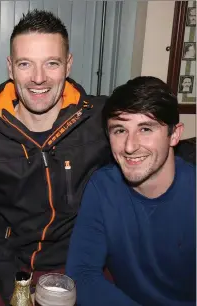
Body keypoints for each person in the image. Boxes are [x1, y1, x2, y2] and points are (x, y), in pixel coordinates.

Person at [0, 9, 114, 303]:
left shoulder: (101, 121)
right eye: (25, 64)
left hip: (83, 265)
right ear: (10, 67)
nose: (38, 78)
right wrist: (14, 285)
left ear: (68, 65)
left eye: (51, 63)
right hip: (9, 265)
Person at [66, 76, 196, 306]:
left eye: (145, 129)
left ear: (174, 134)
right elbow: (82, 273)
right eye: (119, 130)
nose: (129, 146)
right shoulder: (103, 186)